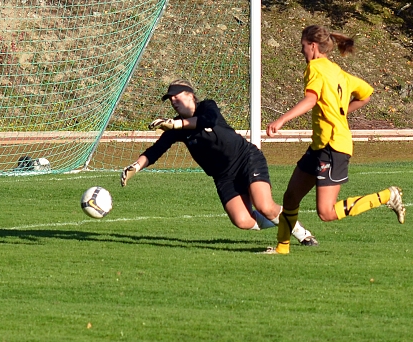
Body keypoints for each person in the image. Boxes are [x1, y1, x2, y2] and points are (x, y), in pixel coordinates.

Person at [120, 79, 318, 246]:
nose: (173, 101)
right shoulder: (175, 128)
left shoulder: (207, 107)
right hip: (224, 176)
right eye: (170, 99)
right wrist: (136, 166)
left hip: (246, 159)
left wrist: (176, 124)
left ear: (190, 95)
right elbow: (156, 150)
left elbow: (208, 120)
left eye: (176, 96)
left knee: (264, 206)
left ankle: (302, 234)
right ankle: (283, 221)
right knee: (242, 220)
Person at [264, 25, 405, 255]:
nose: (301, 51)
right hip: (320, 145)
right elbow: (366, 94)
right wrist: (341, 113)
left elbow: (311, 99)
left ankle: (387, 196)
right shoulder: (337, 71)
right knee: (291, 197)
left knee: (326, 212)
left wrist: (281, 120)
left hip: (333, 146)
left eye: (303, 46)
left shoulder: (316, 68)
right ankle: (282, 248)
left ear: (312, 46)